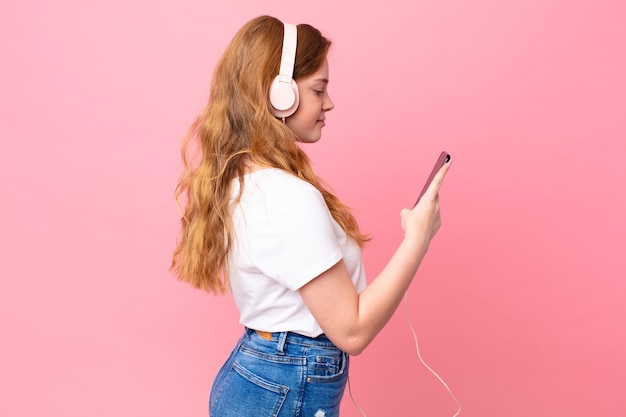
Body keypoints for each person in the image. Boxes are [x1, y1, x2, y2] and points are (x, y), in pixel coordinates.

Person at [171, 15, 451, 417]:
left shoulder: (246, 181)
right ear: (279, 95)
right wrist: (417, 240)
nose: (329, 103)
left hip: (264, 376)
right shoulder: (286, 196)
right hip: (284, 383)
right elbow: (351, 330)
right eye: (318, 89)